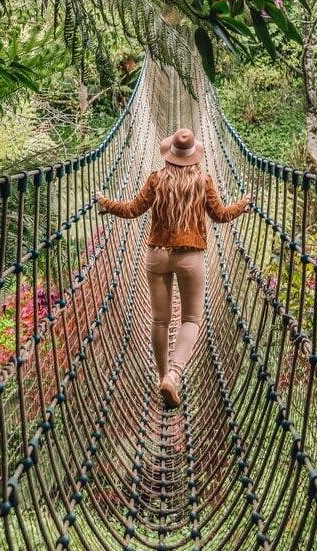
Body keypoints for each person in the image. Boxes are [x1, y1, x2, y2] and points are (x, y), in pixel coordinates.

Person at [96, 128, 251, 409]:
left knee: (159, 321)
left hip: (157, 256)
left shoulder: (157, 179)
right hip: (190, 257)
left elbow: (132, 210)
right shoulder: (203, 181)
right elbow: (221, 215)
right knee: (191, 319)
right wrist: (244, 204)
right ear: (194, 156)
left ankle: (162, 376)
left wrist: (105, 203)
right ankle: (175, 375)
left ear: (169, 155)